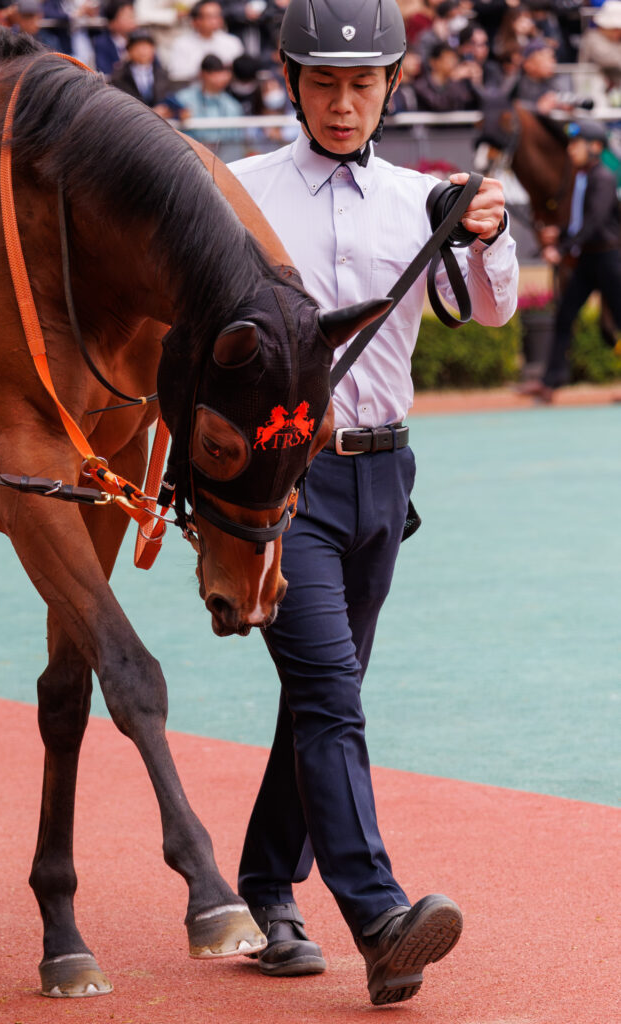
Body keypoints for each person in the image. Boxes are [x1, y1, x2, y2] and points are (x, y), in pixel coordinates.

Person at [227, 0, 518, 1007]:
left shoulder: (420, 197)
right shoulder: (237, 192)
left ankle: (267, 891)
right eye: (323, 82)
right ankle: (380, 918)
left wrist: (486, 232)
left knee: (321, 694)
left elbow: (490, 309)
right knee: (329, 691)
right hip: (282, 480)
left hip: (385, 479)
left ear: (391, 86)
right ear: (289, 82)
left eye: (361, 84)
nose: (342, 102)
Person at [520, 119, 621, 401]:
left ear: (596, 147)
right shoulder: (582, 177)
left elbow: (595, 221)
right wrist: (561, 233)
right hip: (588, 258)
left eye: (577, 144)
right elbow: (581, 221)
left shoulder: (603, 177)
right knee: (564, 315)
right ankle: (550, 382)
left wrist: (562, 248)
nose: (571, 149)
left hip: (610, 259)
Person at [166, 1, 244, 86]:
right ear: (195, 21)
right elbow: (176, 74)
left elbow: (241, 70)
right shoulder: (182, 43)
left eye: (218, 15)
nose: (216, 20)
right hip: (193, 89)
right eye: (210, 16)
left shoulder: (232, 42)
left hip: (227, 89)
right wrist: (208, 74)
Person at [110, 26, 176, 113]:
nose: (142, 51)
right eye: (137, 47)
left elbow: (169, 101)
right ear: (129, 50)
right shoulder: (119, 76)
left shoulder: (162, 74)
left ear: (153, 49)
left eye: (146, 47)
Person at [93, 0, 136, 76]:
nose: (132, 20)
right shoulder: (102, 44)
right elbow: (104, 72)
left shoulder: (140, 41)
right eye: (128, 16)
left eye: (133, 16)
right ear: (112, 22)